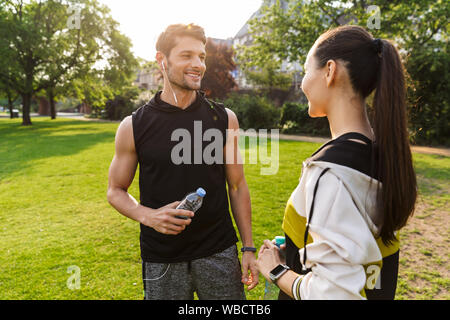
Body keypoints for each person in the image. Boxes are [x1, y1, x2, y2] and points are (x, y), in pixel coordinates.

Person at [256, 25, 417, 300]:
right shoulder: (382, 155)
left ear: (330, 71)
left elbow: (334, 294)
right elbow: (355, 253)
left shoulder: (331, 172)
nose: (302, 82)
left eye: (306, 71)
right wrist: (298, 252)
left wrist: (277, 270)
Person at [107, 23, 258, 300]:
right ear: (161, 60)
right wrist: (148, 216)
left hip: (219, 253)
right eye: (186, 55)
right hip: (162, 258)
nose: (198, 64)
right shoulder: (133, 126)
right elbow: (115, 190)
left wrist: (248, 248)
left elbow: (237, 186)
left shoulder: (224, 119)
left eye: (201, 56)